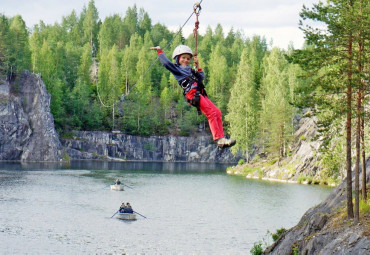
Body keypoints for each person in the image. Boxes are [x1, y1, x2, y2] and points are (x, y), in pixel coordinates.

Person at [152, 45, 236, 149]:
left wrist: (198, 66)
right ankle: (219, 139)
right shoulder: (177, 69)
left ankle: (222, 139)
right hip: (193, 95)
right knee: (211, 113)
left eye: (188, 58)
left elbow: (201, 77)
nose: (186, 60)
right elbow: (166, 63)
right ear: (177, 58)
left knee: (217, 112)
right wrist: (160, 51)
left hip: (199, 93)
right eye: (183, 58)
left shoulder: (190, 70)